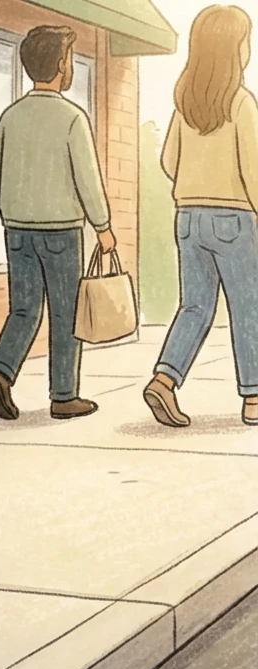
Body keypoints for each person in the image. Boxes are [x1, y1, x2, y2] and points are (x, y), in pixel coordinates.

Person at [0, 24, 114, 421]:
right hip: (62, 230)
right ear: (61, 65)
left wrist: (12, 207)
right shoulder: (72, 117)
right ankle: (63, 395)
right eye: (70, 59)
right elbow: (87, 179)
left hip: (17, 229)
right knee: (64, 312)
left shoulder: (11, 116)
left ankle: (0, 371)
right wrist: (103, 227)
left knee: (23, 309)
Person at [143, 4, 258, 428]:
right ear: (235, 49)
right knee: (248, 308)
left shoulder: (184, 106)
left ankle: (165, 378)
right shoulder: (241, 104)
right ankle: (254, 397)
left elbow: (169, 161)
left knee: (194, 306)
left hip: (187, 217)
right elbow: (254, 169)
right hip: (234, 219)